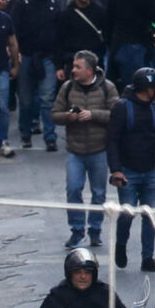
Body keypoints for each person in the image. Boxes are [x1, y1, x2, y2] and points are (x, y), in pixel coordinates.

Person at [56, 51, 120, 250]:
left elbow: (116, 115)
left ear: (90, 70)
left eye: (77, 67)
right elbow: (54, 114)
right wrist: (69, 117)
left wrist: (93, 114)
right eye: (73, 66)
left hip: (99, 149)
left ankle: (95, 230)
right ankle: (76, 230)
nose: (73, 70)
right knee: (73, 189)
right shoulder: (67, 88)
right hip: (75, 149)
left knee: (98, 192)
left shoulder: (107, 88)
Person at [105, 67, 155, 272]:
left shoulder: (153, 108)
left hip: (149, 170)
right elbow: (112, 140)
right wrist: (116, 170)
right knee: (127, 213)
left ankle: (147, 258)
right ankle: (121, 244)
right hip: (128, 171)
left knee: (150, 216)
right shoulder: (122, 108)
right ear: (148, 88)